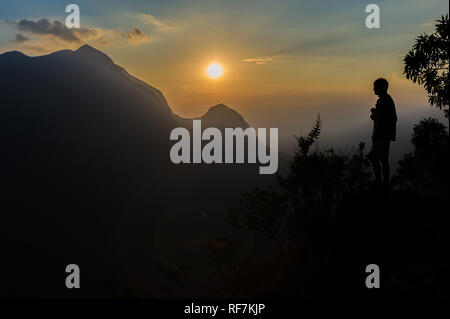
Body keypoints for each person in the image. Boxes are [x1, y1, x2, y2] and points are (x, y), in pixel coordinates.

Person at [369, 78, 397, 186]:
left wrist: (376, 115)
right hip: (382, 135)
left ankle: (381, 182)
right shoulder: (383, 100)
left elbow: (391, 118)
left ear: (381, 88)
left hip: (382, 135)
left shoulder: (385, 100)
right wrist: (376, 114)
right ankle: (383, 182)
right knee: (381, 158)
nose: (373, 89)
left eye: (375, 87)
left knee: (377, 158)